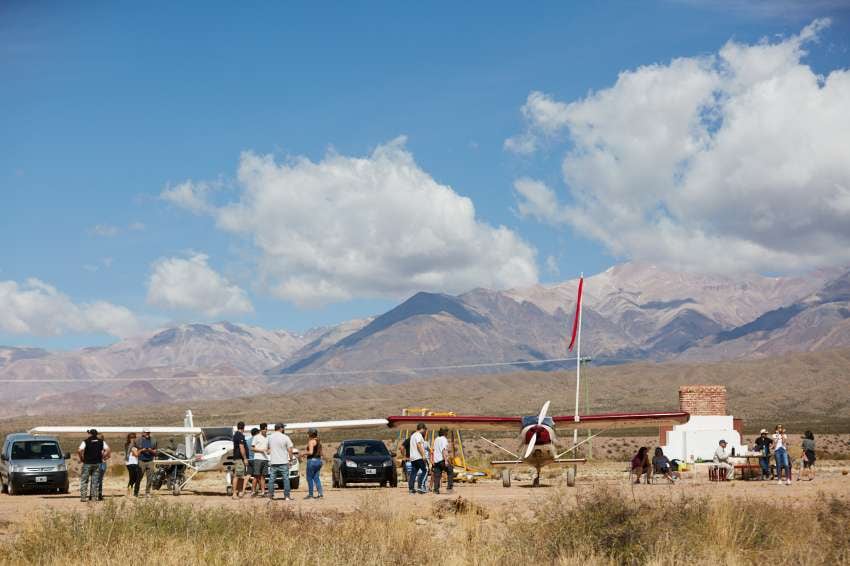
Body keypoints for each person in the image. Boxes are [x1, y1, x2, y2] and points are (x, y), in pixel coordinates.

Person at [78, 429, 110, 502]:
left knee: (84, 480)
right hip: (97, 463)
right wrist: (102, 457)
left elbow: (79, 450)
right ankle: (94, 497)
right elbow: (108, 450)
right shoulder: (101, 442)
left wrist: (82, 458)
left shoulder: (85, 441)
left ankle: (83, 497)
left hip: (87, 463)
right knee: (95, 481)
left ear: (90, 434)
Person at [267, 423, 294, 501]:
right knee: (286, 479)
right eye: (283, 428)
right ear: (281, 428)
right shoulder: (285, 437)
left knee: (272, 479)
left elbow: (268, 449)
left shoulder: (270, 437)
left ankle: (270, 496)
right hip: (283, 462)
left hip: (274, 462)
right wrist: (291, 460)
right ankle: (287, 496)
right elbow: (290, 449)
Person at [135, 428, 158, 497]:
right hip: (141, 461)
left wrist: (151, 450)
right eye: (146, 432)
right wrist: (142, 450)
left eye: (148, 432)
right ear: (143, 433)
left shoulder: (153, 441)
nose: (147, 434)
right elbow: (136, 452)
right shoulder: (138, 441)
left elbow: (156, 452)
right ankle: (136, 492)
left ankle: (147, 492)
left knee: (150, 478)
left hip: (150, 461)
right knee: (139, 477)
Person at [431, 428, 453, 494]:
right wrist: (446, 460)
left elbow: (433, 450)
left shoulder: (436, 439)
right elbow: (444, 450)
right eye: (447, 433)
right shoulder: (444, 439)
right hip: (442, 459)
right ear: (445, 433)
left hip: (436, 460)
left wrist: (432, 460)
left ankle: (436, 490)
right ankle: (449, 487)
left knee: (437, 475)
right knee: (450, 470)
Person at [408, 423, 428, 494]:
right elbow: (419, 445)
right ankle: (421, 487)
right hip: (419, 457)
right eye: (425, 429)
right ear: (422, 428)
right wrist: (423, 455)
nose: (425, 431)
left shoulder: (413, 435)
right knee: (425, 471)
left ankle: (411, 489)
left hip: (413, 458)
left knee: (413, 473)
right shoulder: (418, 435)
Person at [304, 428, 323, 499]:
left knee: (309, 478)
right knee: (316, 478)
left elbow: (311, 452)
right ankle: (320, 494)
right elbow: (321, 453)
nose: (308, 435)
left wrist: (303, 453)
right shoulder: (319, 441)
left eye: (308, 433)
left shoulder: (311, 441)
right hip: (318, 461)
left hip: (311, 461)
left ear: (311, 434)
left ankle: (311, 494)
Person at [231, 421, 249, 499]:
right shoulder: (240, 435)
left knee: (241, 476)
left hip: (238, 458)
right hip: (239, 458)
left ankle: (239, 492)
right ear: (243, 427)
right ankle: (234, 493)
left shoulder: (236, 435)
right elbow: (241, 447)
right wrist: (245, 458)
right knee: (237, 476)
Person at [251, 424, 269, 497]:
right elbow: (252, 448)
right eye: (264, 429)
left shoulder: (268, 437)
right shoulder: (256, 437)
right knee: (256, 476)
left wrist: (269, 451)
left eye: (266, 429)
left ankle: (263, 492)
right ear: (261, 429)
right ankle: (253, 491)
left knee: (263, 476)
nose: (265, 430)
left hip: (265, 459)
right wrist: (261, 450)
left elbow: (269, 448)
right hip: (258, 459)